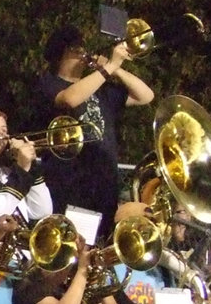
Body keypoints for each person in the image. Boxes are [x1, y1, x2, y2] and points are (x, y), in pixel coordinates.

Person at [35, 24, 154, 234]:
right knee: (72, 242)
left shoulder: (101, 89)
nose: (83, 53)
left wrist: (116, 68)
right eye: (76, 49)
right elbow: (70, 99)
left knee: (97, 246)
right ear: (61, 54)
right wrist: (107, 68)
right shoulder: (50, 83)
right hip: (70, 183)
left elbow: (145, 96)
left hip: (104, 183)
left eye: (84, 48)